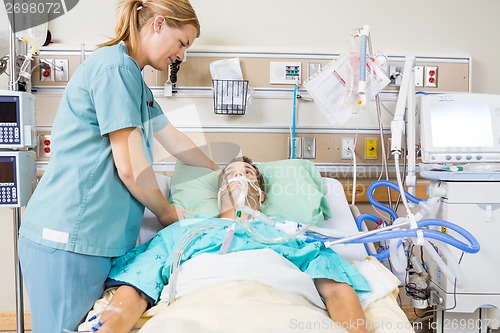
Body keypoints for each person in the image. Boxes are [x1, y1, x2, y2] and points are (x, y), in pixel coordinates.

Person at [17, 1, 217, 332]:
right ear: (158, 24)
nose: (182, 56)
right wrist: (168, 214)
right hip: (69, 236)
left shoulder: (132, 79)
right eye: (182, 43)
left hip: (92, 240)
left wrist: (220, 172)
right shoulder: (115, 70)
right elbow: (130, 167)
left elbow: (174, 138)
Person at [89, 157, 371, 333]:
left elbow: (336, 290)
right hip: (197, 309)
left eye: (248, 173)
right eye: (231, 174)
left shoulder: (288, 234)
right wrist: (110, 326)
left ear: (261, 196)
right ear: (219, 190)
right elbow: (138, 287)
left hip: (283, 309)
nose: (239, 177)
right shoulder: (184, 231)